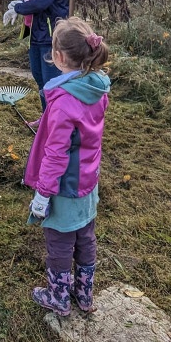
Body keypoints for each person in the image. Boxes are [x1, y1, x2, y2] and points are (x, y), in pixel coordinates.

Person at [24, 17, 110, 316]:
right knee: (86, 236)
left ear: (58, 57)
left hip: (63, 186)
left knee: (60, 241)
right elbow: (80, 127)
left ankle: (59, 297)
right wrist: (44, 122)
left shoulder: (62, 102)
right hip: (88, 181)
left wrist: (42, 195)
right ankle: (84, 296)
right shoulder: (95, 89)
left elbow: (56, 156)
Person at [2, 0, 70, 109]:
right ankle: (47, 117)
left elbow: (42, 1)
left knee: (52, 83)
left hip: (53, 37)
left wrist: (18, 8)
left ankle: (59, 124)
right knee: (40, 79)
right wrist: (20, 3)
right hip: (36, 33)